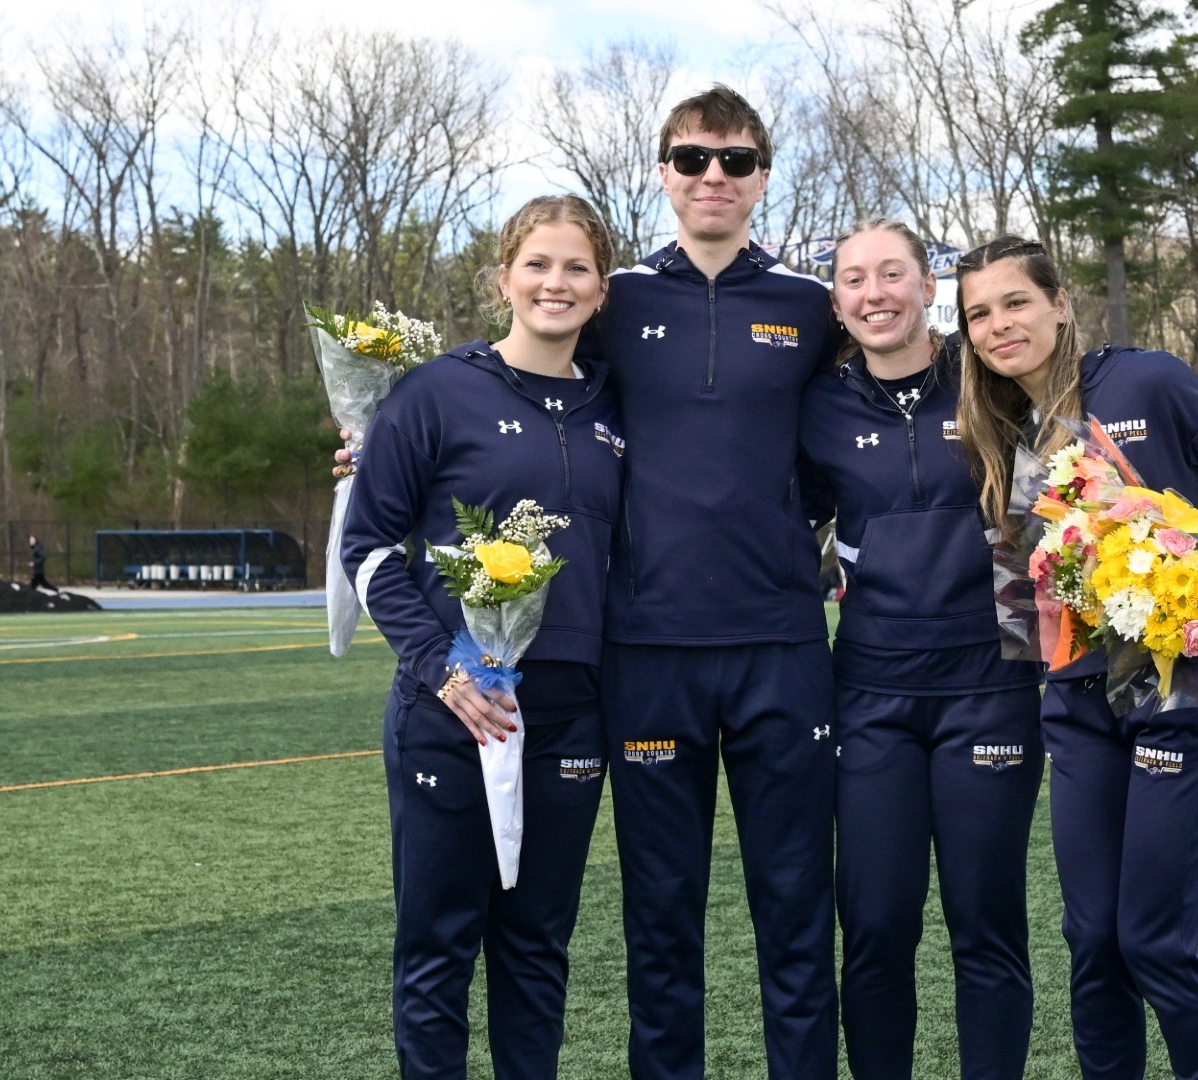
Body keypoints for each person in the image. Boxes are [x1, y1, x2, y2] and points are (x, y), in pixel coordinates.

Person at [954, 236, 1198, 1080]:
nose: (999, 325)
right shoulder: (997, 434)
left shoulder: (1145, 382)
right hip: (1075, 715)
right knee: (1093, 941)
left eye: (1015, 302)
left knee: (1152, 941)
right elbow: (1021, 600)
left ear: (1060, 303)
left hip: (1179, 701)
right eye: (978, 314)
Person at [338, 195, 623, 1080]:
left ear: (602, 289)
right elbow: (370, 547)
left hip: (573, 711)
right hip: (452, 708)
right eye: (537, 263)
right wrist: (447, 669)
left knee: (537, 947)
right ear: (504, 277)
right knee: (439, 946)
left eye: (576, 266)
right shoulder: (435, 392)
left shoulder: (621, 406)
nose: (555, 282)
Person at [590, 86, 839, 1080]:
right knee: (660, 921)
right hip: (647, 652)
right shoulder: (614, 300)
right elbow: (514, 392)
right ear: (663, 172)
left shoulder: (811, 308)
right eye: (692, 159)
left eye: (735, 162)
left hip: (781, 648)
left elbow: (873, 424)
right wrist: (382, 435)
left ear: (763, 177)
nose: (712, 178)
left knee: (795, 913)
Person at [797, 219, 1044, 1078]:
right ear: (837, 302)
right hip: (869, 701)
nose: (875, 294)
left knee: (985, 924)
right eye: (855, 280)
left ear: (925, 284)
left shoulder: (992, 382)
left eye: (892, 274)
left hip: (992, 687)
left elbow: (1091, 440)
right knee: (874, 928)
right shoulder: (816, 407)